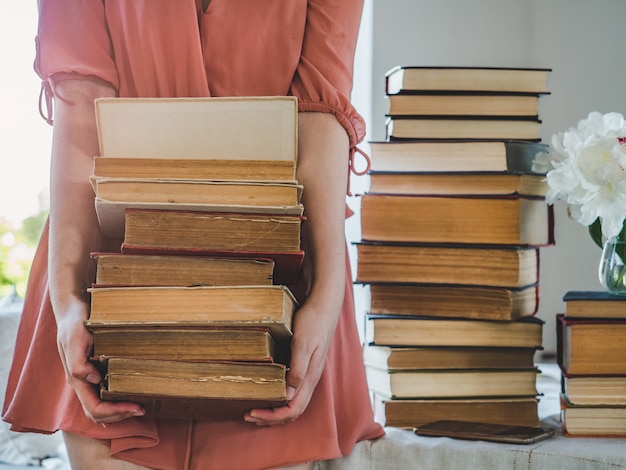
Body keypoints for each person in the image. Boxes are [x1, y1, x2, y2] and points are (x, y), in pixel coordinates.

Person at [2, 1, 385, 469]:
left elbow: (321, 112)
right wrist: (66, 300)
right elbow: (80, 107)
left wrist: (324, 295)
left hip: (280, 287)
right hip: (103, 277)